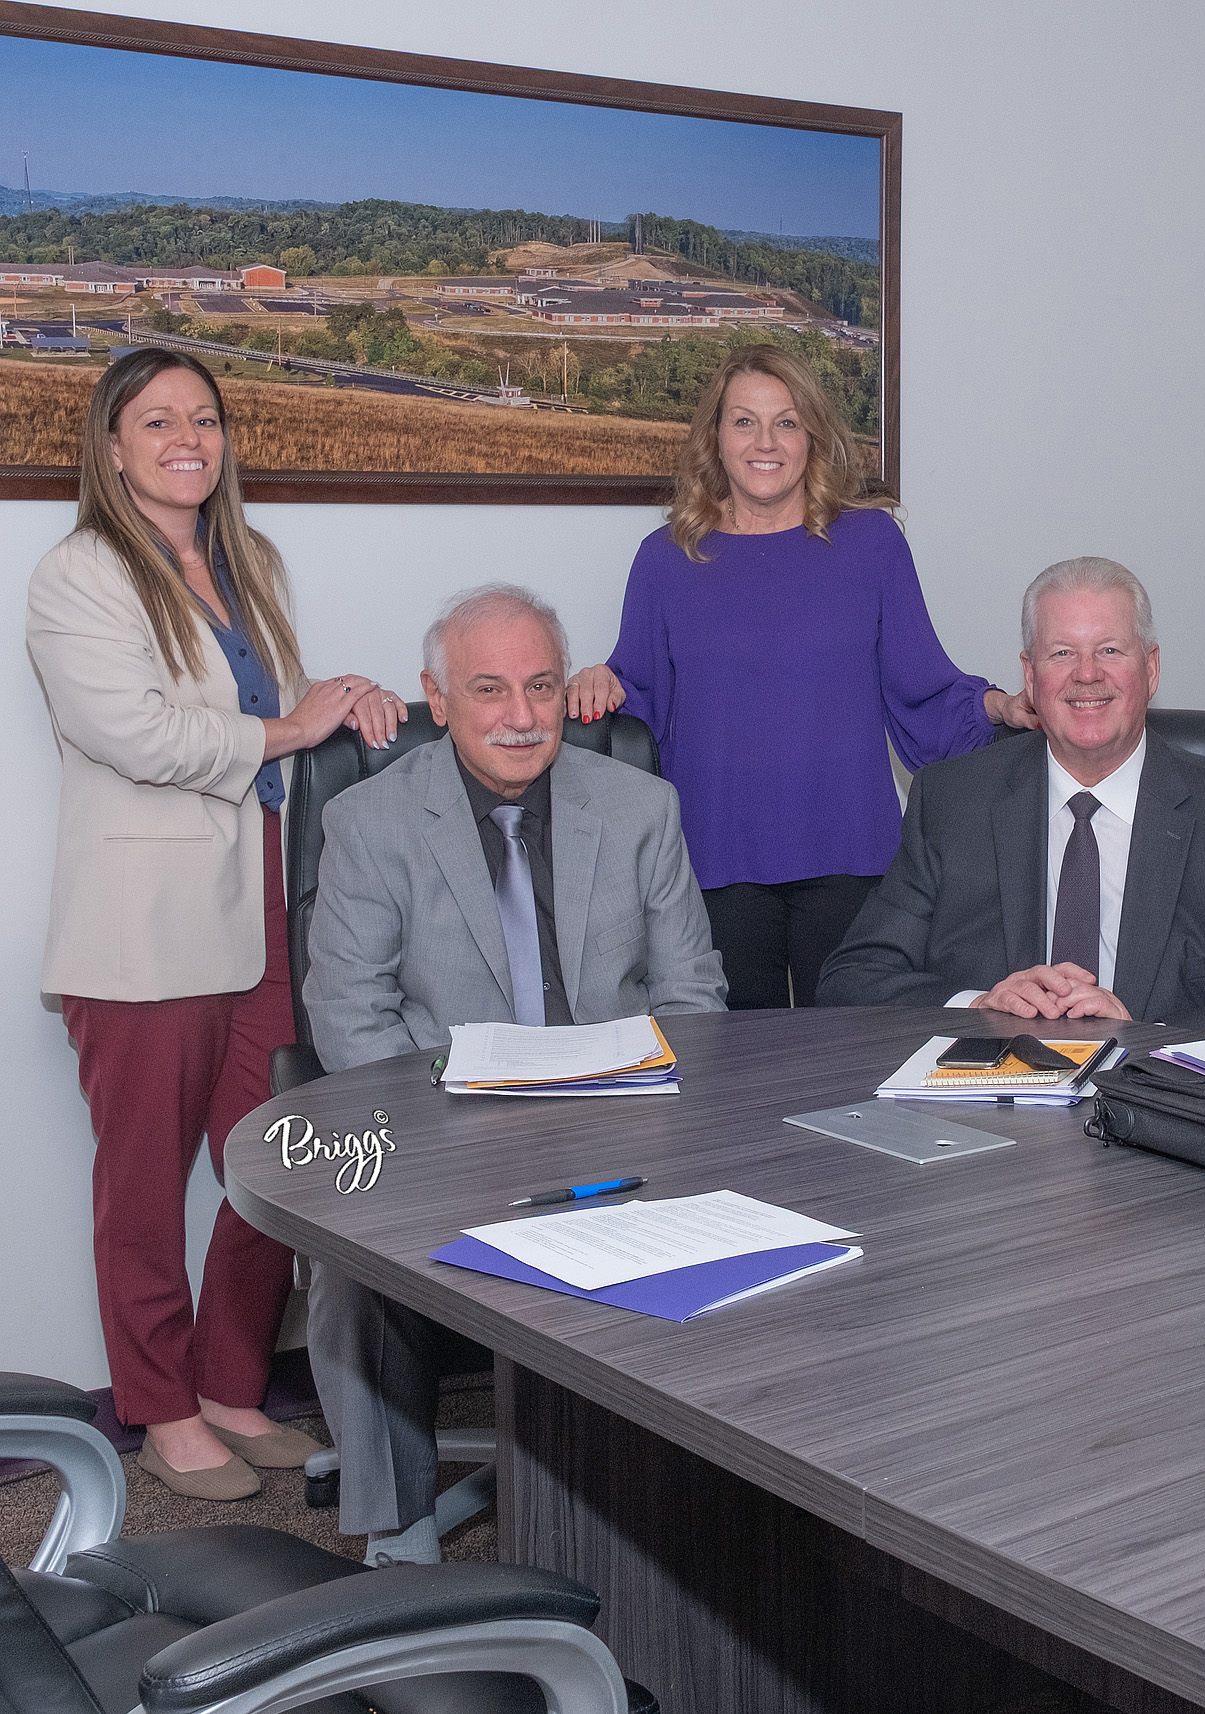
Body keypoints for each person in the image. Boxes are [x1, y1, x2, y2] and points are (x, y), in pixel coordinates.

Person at [26, 348, 403, 1502]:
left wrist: (346, 701)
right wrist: (292, 730)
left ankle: (234, 1383)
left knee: (284, 1155)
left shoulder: (250, 561)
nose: (187, 438)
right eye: (157, 420)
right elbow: (139, 735)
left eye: (204, 418)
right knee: (142, 1187)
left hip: (260, 907)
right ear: (112, 445)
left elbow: (271, 710)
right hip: (140, 929)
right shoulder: (79, 574)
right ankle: (160, 1406)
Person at [303, 583, 726, 1562]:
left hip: (619, 1123)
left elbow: (694, 996)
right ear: (436, 698)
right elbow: (350, 1016)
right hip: (442, 1125)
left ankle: (684, 1503)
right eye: (488, 689)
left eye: (541, 685)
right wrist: (450, 1138)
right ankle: (397, 1525)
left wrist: (657, 1112)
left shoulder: (640, 807)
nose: (522, 715)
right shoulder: (371, 821)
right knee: (346, 1253)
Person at [565, 345, 1035, 1011]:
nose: (766, 443)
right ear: (715, 437)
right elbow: (636, 700)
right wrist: (596, 682)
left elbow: (921, 685)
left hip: (851, 853)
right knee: (734, 1065)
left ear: (812, 435)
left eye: (786, 422)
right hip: (715, 860)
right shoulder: (666, 558)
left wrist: (1000, 707)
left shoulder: (872, 544)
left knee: (855, 1059)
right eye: (744, 421)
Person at [819, 559, 1205, 1033]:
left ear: (1151, 669)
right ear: (1030, 676)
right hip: (994, 1097)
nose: (1087, 674)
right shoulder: (952, 802)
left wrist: (1145, 1033)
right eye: (1062, 653)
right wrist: (978, 1004)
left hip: (1161, 1095)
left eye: (1110, 650)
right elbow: (853, 978)